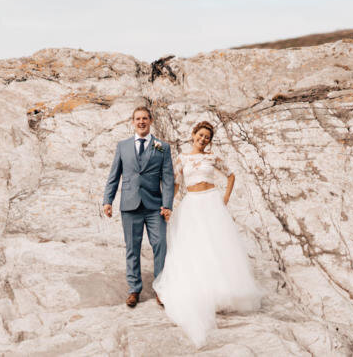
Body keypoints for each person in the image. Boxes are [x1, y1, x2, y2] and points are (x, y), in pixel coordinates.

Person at [152, 121, 262, 347]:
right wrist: (168, 206)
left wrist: (225, 198)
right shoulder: (182, 158)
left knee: (218, 245)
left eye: (207, 137)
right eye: (200, 135)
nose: (203, 140)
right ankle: (198, 290)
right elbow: (174, 184)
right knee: (194, 247)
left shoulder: (213, 158)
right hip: (192, 203)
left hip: (211, 201)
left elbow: (231, 175)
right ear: (193, 135)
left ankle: (221, 292)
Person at [103, 106, 176, 308]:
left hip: (155, 206)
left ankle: (161, 289)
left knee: (160, 244)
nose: (141, 122)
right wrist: (107, 201)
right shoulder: (123, 146)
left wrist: (167, 204)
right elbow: (114, 175)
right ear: (133, 122)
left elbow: (168, 178)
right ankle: (134, 289)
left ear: (151, 120)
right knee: (132, 248)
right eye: (138, 119)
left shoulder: (162, 146)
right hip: (130, 204)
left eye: (145, 118)